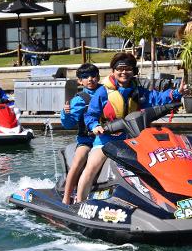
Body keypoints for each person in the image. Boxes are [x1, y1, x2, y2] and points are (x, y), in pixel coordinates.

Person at [75, 52, 184, 202]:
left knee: (158, 161)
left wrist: (176, 93)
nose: (124, 72)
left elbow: (157, 98)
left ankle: (167, 196)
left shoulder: (138, 90)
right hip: (106, 140)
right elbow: (91, 114)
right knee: (91, 167)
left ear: (134, 71)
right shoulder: (103, 92)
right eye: (120, 69)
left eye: (128, 69)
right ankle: (79, 202)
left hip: (133, 140)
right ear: (113, 71)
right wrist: (95, 126)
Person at [60, 63, 101, 205]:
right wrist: (65, 114)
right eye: (85, 77)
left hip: (106, 138)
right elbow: (68, 124)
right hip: (87, 140)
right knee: (78, 161)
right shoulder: (78, 100)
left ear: (98, 77)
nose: (90, 79)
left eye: (93, 76)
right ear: (80, 81)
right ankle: (66, 197)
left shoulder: (107, 92)